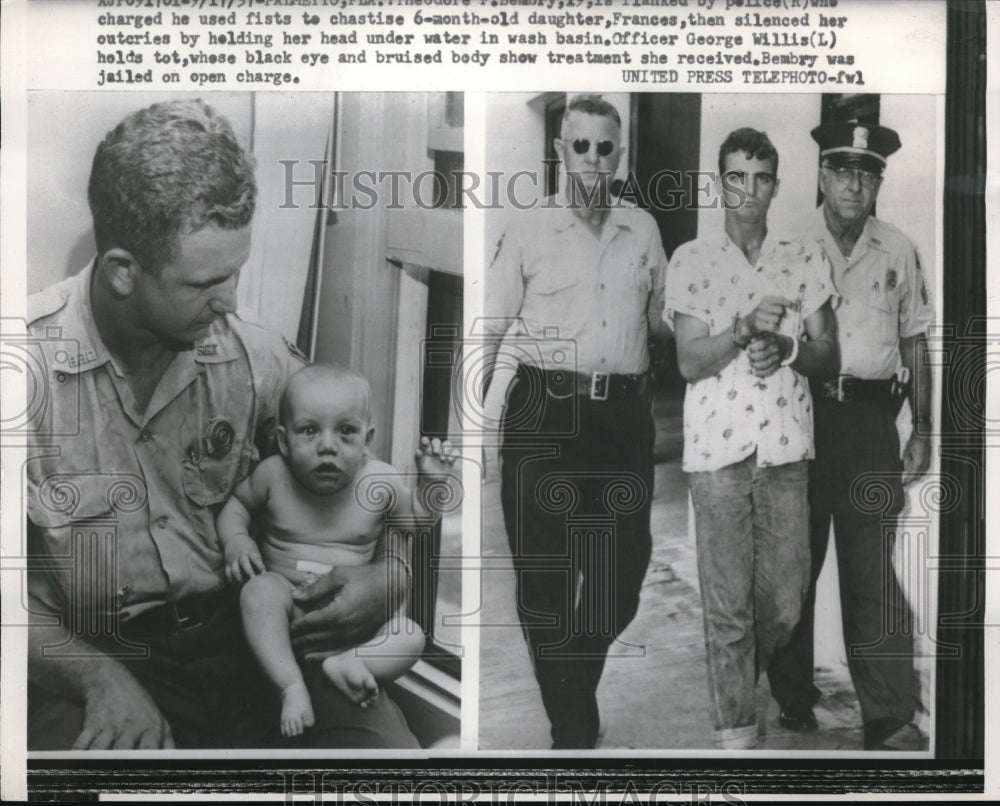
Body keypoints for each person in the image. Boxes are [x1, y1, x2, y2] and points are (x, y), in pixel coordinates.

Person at [25, 99, 419, 749]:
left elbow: (355, 484)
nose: (231, 301)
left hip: (255, 637)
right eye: (206, 282)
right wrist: (96, 678)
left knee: (389, 771)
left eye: (236, 273)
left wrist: (390, 577)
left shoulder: (254, 356)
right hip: (94, 657)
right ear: (125, 272)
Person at [483, 94, 671, 749]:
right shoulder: (529, 228)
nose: (593, 158)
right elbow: (487, 330)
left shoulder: (643, 230)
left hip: (621, 418)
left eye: (606, 146)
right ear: (561, 151)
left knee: (621, 572)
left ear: (620, 154)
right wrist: (473, 433)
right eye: (581, 145)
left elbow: (661, 319)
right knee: (544, 577)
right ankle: (571, 720)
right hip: (543, 411)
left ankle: (570, 686)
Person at [664, 128, 839, 749]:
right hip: (716, 455)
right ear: (720, 184)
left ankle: (738, 674)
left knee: (786, 601)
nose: (748, 191)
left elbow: (829, 355)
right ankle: (735, 732)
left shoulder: (803, 257)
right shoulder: (690, 259)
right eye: (736, 177)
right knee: (728, 608)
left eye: (760, 178)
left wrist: (788, 347)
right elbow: (688, 361)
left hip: (787, 451)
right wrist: (740, 331)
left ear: (774, 186)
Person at [767, 121, 933, 751]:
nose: (853, 184)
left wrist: (924, 426)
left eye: (867, 174)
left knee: (872, 571)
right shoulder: (789, 243)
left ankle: (888, 714)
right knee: (795, 566)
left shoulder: (898, 249)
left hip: (869, 424)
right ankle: (792, 694)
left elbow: (915, 340)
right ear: (822, 176)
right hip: (800, 417)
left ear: (877, 183)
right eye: (842, 171)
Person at [218, 364, 454, 737]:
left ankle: (350, 665)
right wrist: (237, 541)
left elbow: (415, 524)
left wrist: (431, 485)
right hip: (287, 609)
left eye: (346, 432)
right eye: (310, 431)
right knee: (258, 592)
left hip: (354, 630)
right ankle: (290, 685)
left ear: (366, 440)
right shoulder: (273, 475)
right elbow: (237, 506)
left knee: (410, 634)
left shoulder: (380, 482)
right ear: (284, 440)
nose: (328, 446)